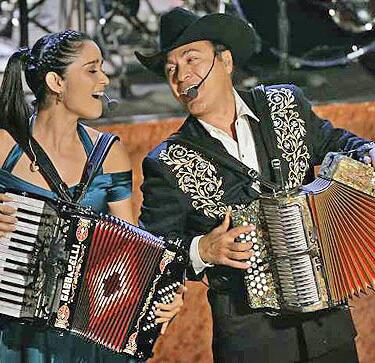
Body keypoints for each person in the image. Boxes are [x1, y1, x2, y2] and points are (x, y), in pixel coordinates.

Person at [135, 7, 375, 363]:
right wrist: (202, 249)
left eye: (191, 59)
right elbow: (151, 251)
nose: (182, 75)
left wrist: (368, 151)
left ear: (226, 61)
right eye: (171, 69)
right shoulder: (167, 161)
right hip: (252, 344)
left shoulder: (284, 104)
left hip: (330, 330)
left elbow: (337, 142)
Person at [0, 30, 183, 362]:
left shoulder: (109, 153)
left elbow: (133, 247)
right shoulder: (4, 147)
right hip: (13, 336)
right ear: (56, 81)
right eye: (92, 69)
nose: (105, 78)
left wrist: (159, 290)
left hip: (84, 338)